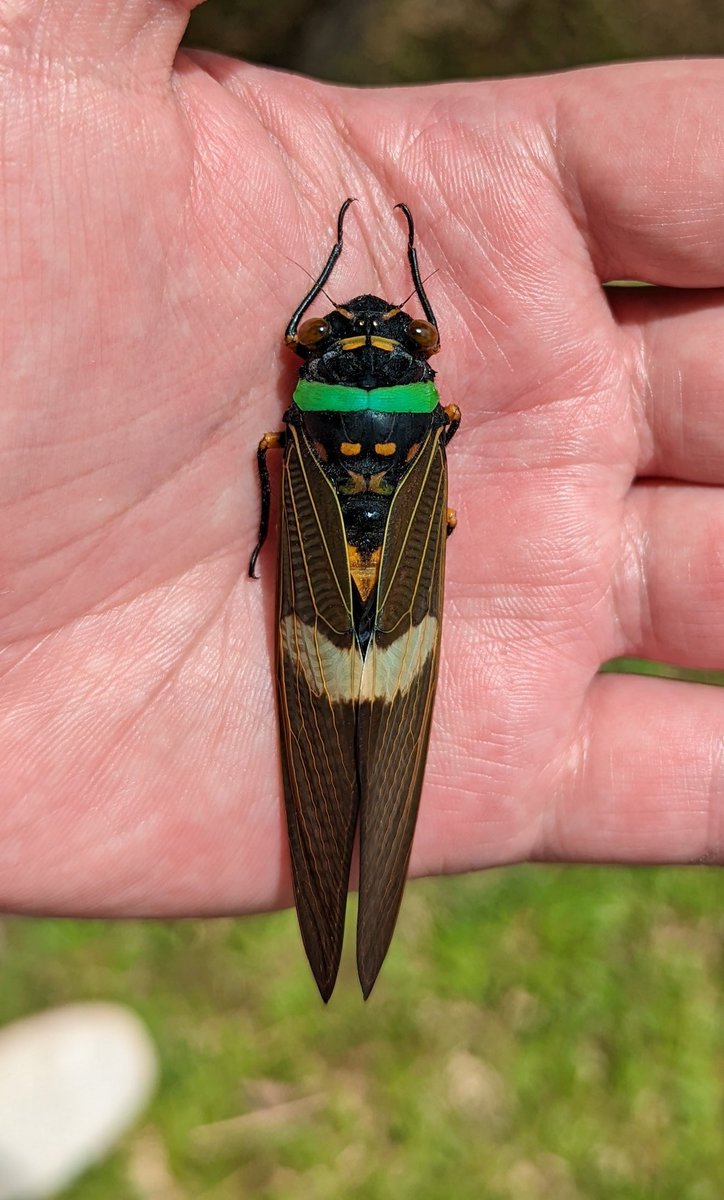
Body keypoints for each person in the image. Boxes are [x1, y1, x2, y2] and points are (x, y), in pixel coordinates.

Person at [1, 4, 723, 933]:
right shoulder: (433, 412)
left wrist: (282, 517)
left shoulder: (290, 433)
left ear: (314, 372)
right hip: (402, 513)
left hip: (324, 511)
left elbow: (286, 444)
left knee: (298, 501)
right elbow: (441, 427)